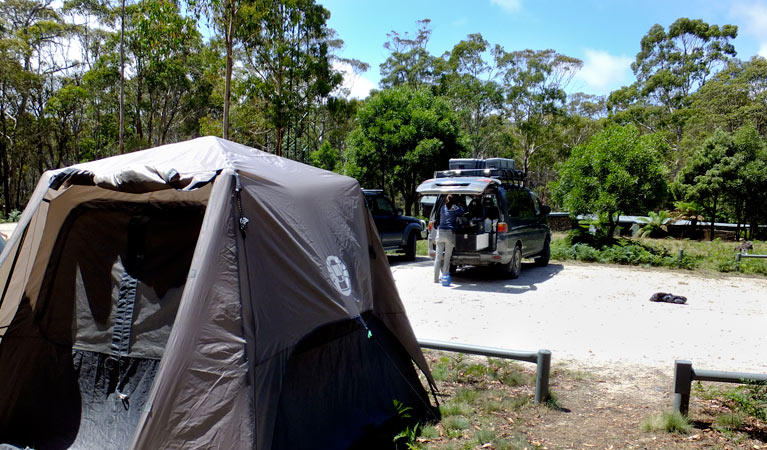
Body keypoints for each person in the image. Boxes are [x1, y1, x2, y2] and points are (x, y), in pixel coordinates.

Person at [434, 194, 465, 284]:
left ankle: (435, 279)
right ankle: (444, 277)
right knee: (447, 257)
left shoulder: (442, 208)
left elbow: (440, 216)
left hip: (440, 232)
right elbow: (463, 211)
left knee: (438, 257)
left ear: (446, 200)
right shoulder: (455, 208)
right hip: (449, 233)